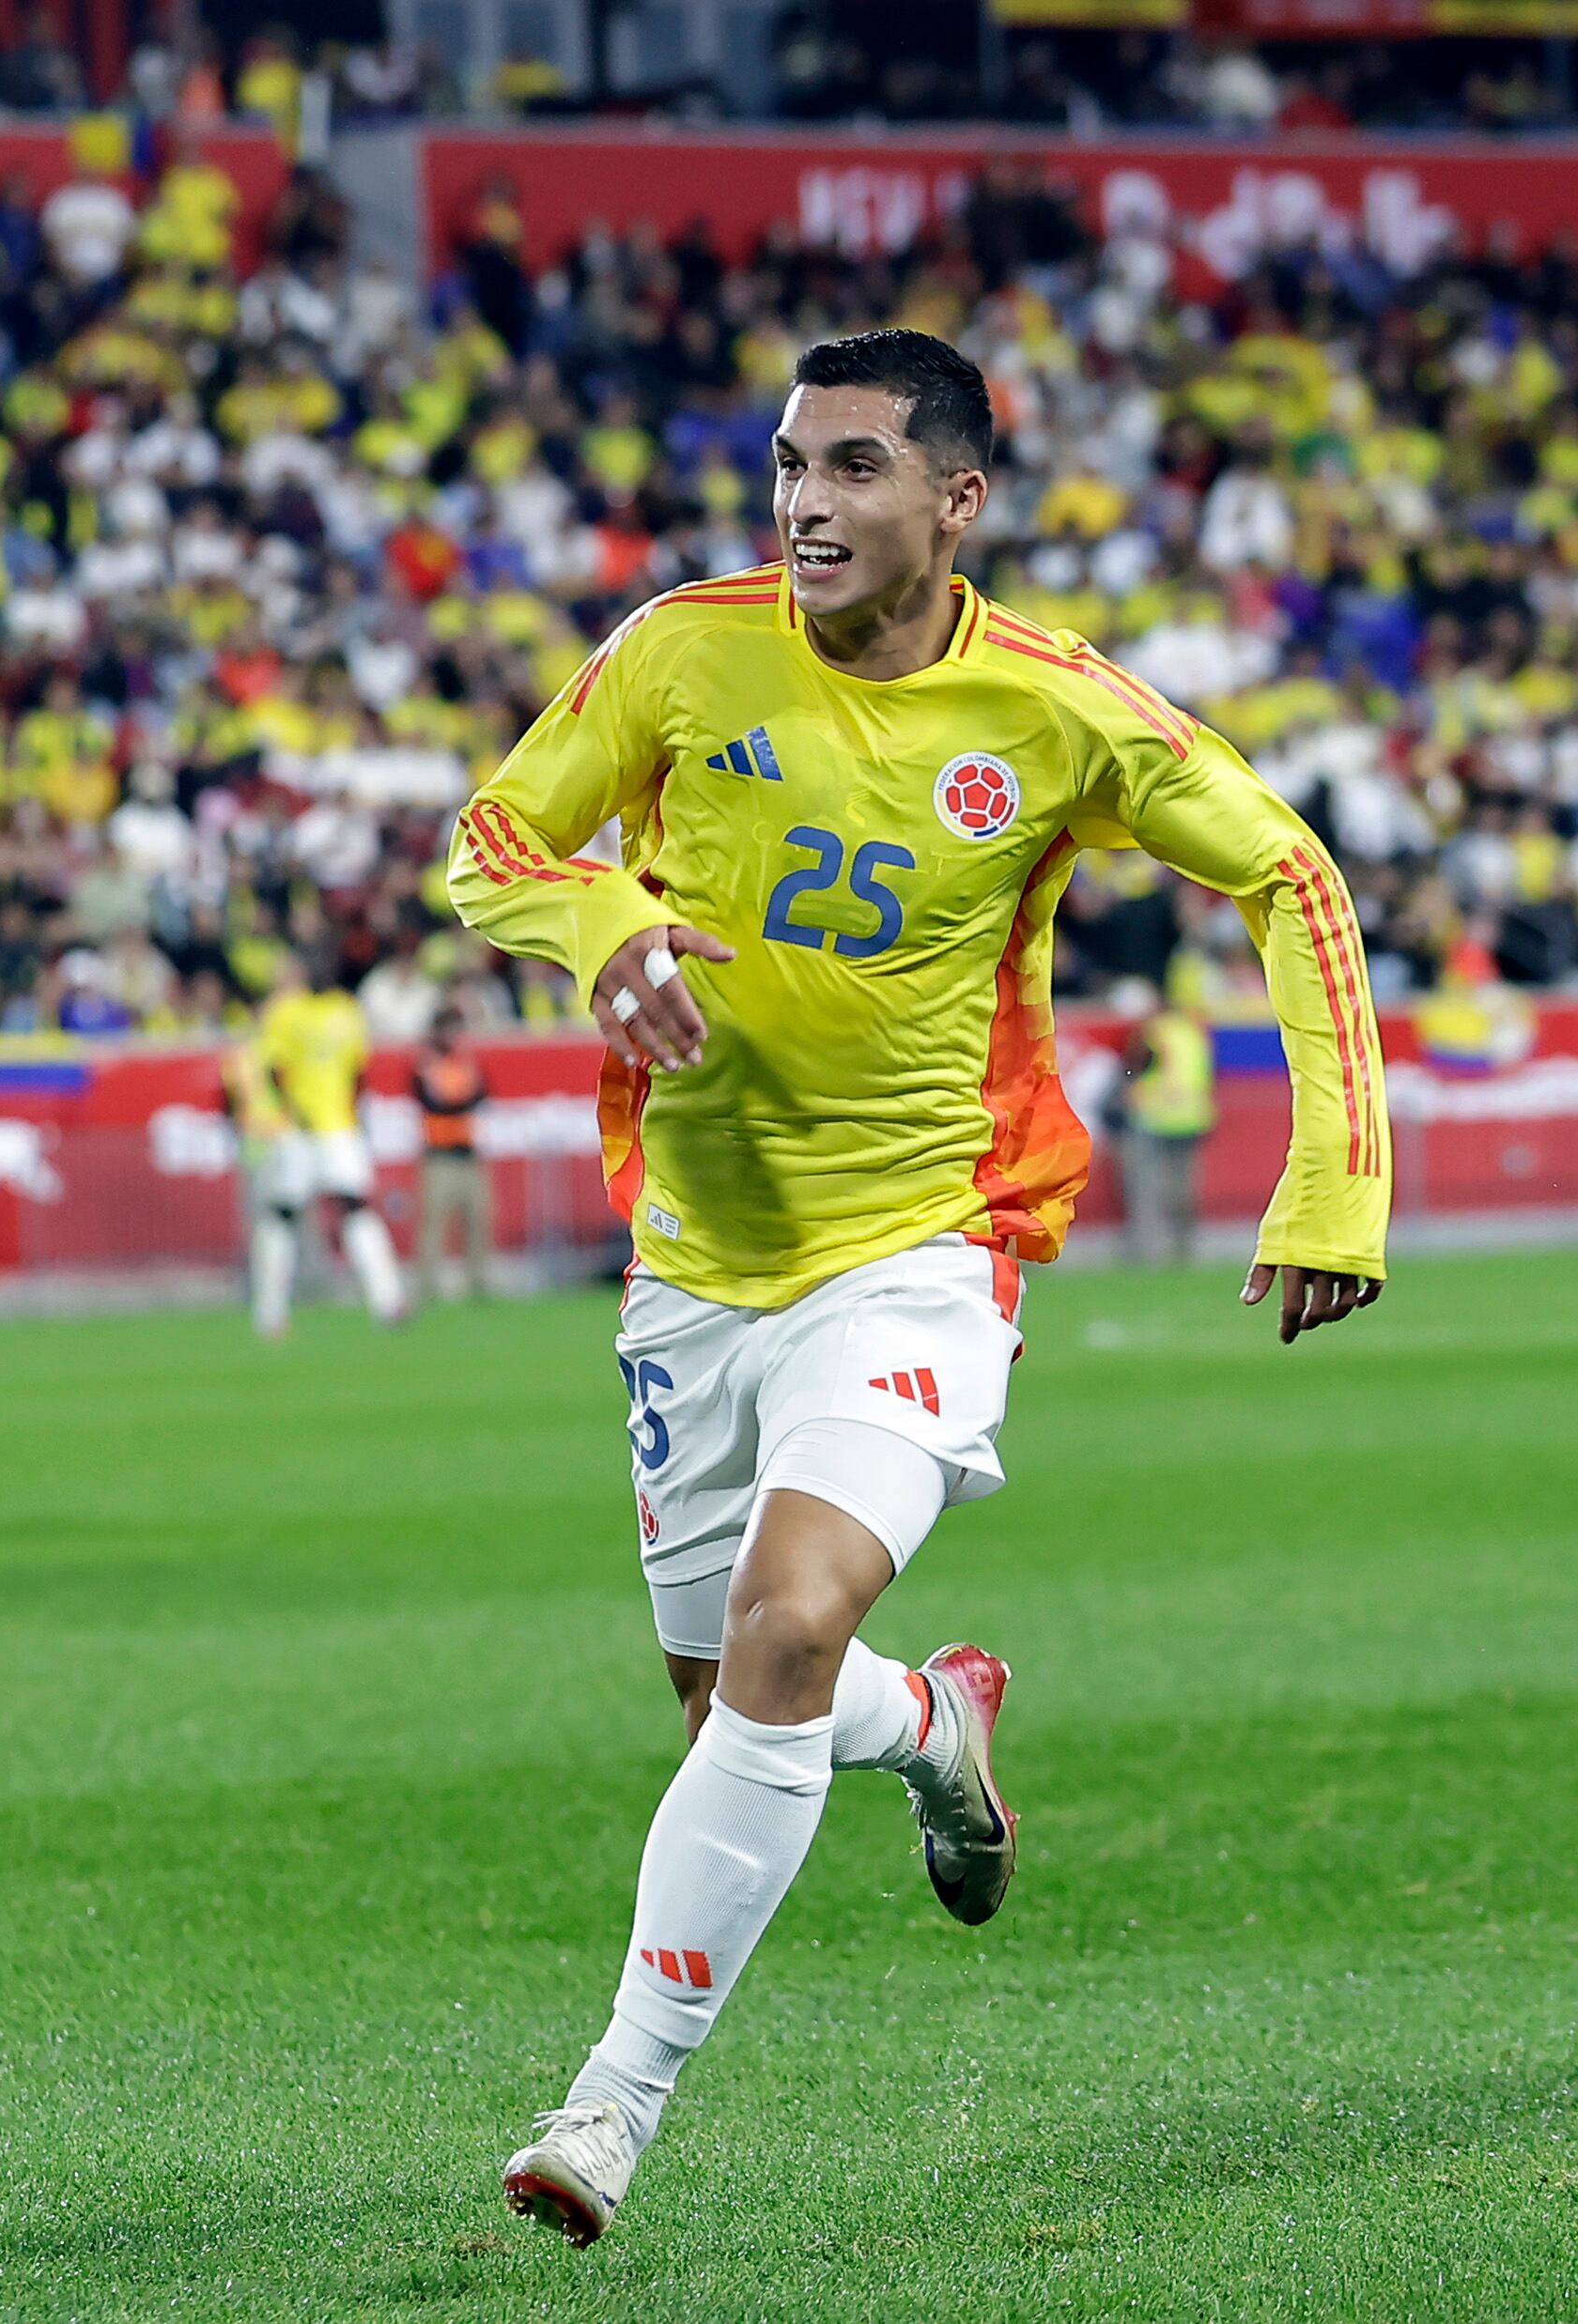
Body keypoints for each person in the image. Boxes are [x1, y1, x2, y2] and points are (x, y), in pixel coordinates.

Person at [452, 331, 1389, 2244]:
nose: (802, 502)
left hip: (917, 1251)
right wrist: (600, 919)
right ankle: (928, 1721)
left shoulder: (1051, 709)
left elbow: (1284, 873)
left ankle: (605, 2110)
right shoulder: (674, 650)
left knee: (779, 1632)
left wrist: (1328, 1181)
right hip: (691, 1269)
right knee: (733, 1693)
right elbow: (486, 842)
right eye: (787, 464)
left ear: (954, 498)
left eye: (853, 467)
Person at [241, 947, 407, 1336]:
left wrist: (355, 1115)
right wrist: (290, 1112)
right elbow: (273, 1068)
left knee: (356, 1207)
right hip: (299, 1129)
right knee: (285, 1213)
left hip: (338, 1126)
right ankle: (270, 1311)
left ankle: (388, 1301)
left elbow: (356, 1071)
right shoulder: (287, 1011)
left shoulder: (346, 1010)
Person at [1119, 981, 1216, 1267]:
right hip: (1192, 1116)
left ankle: (1147, 1250)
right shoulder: (1194, 1034)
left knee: (1147, 1189)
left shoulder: (1153, 1032)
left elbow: (1135, 1068)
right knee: (1184, 1188)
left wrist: (1131, 1092)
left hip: (1154, 1115)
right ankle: (1184, 1246)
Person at [410, 1006, 493, 1302]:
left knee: (478, 1220)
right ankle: (425, 1286)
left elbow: (482, 1094)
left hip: (467, 1152)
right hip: (439, 1155)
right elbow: (436, 1102)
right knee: (434, 1224)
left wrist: (459, 1098)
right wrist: (460, 1098)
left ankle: (479, 1283)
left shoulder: (464, 1063)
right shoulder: (426, 1064)